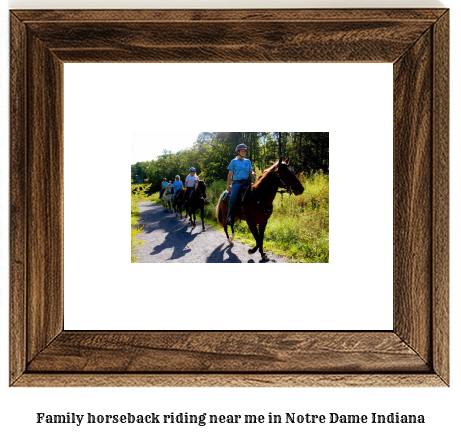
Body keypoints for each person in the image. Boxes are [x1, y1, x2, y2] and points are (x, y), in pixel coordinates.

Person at [226, 143, 256, 225]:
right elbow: (230, 174)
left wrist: (253, 173)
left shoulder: (248, 161)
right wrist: (228, 185)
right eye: (242, 151)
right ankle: (230, 217)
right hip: (237, 182)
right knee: (232, 197)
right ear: (238, 152)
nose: (243, 152)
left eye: (244, 151)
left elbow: (250, 171)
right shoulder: (234, 161)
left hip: (247, 181)